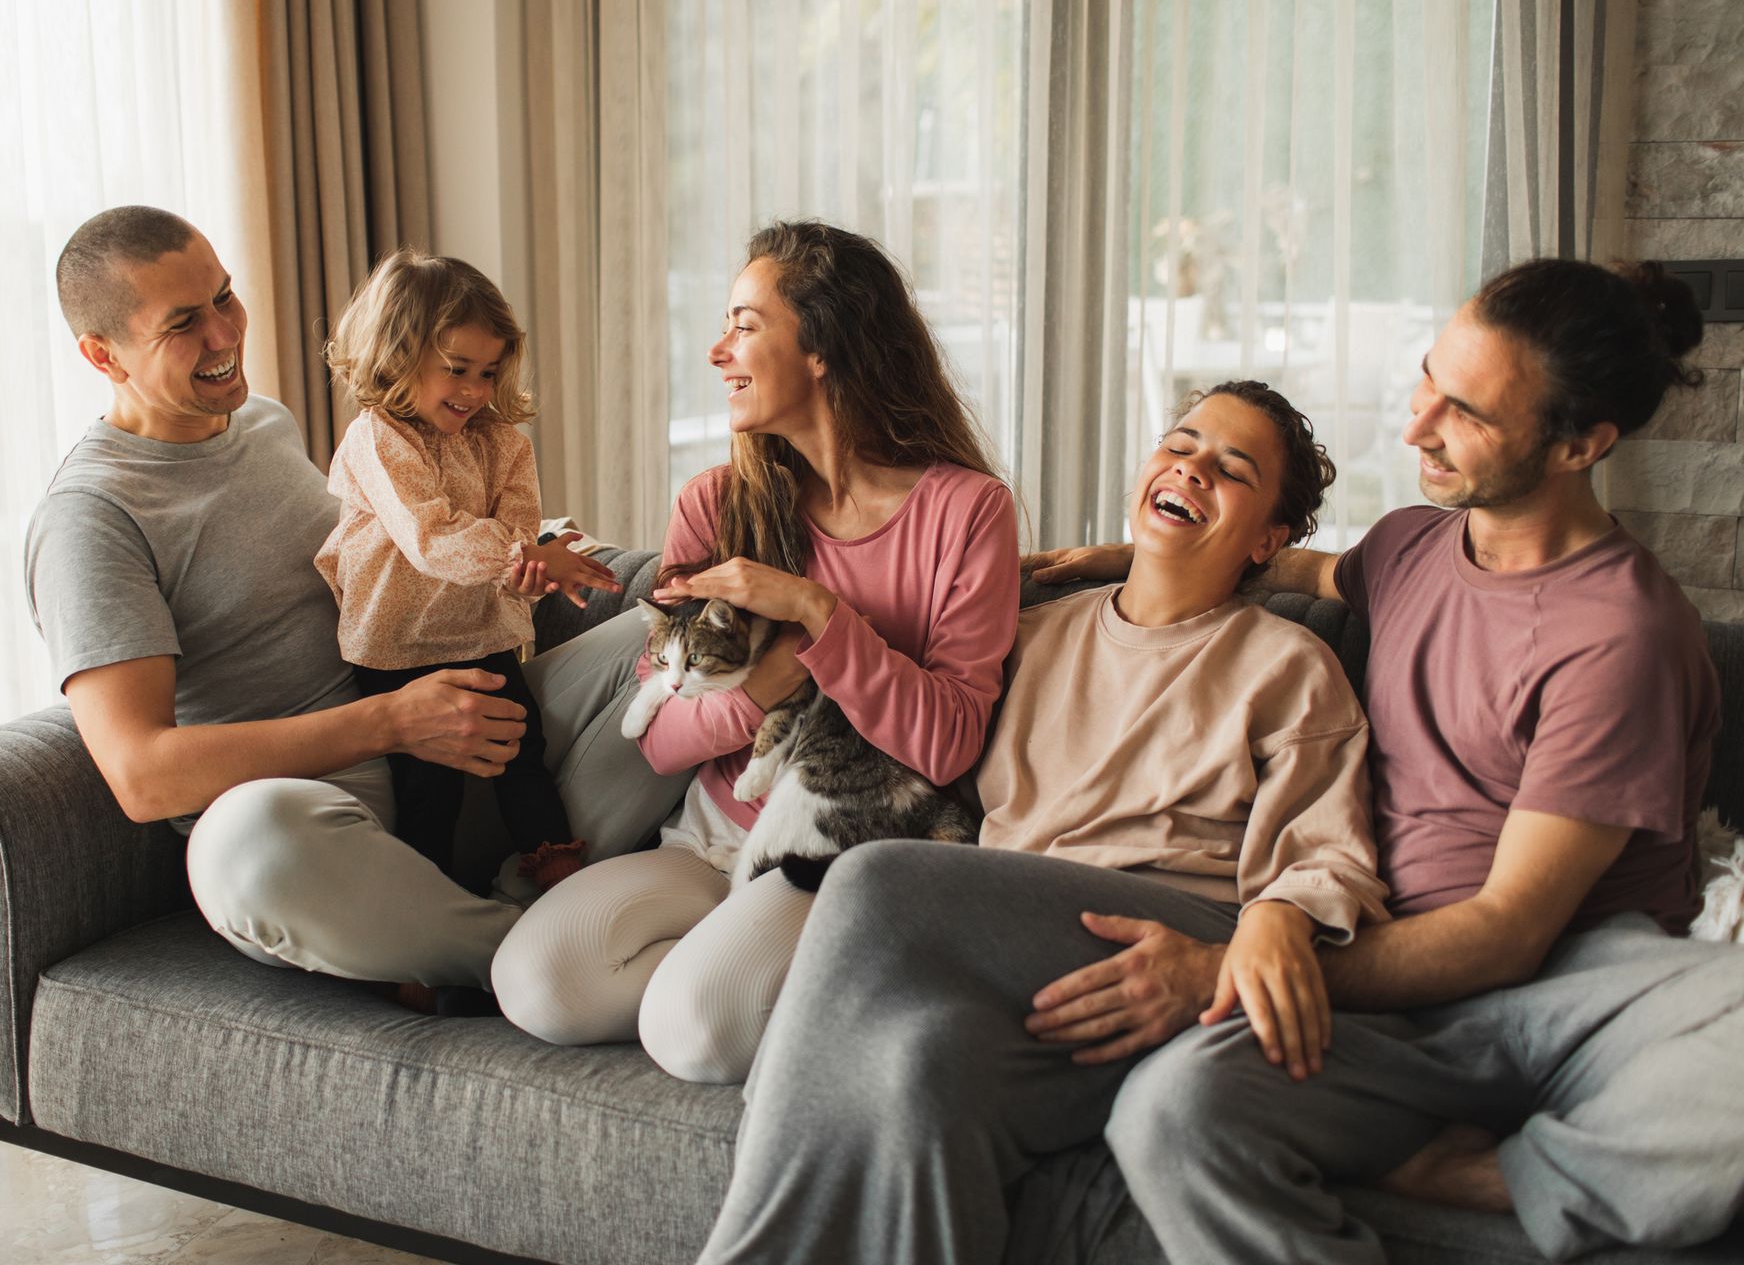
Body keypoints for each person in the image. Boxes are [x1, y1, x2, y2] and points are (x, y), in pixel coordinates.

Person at [992, 257, 1732, 1262]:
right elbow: (1291, 562)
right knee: (1171, 1108)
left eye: (1466, 413)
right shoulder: (1413, 548)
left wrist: (1228, 959)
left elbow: (1513, 931)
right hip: (1394, 969)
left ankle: (1512, 1171)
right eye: (1430, 377)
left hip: (1570, 982)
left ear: (1580, 444)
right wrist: (1106, 561)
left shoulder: (1623, 634)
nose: (1418, 425)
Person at [696, 379, 1390, 1263]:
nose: (1191, 468)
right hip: (1012, 953)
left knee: (875, 880)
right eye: (1180, 444)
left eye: (1232, 468)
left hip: (1165, 930)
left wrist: (1266, 930)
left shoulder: (1290, 663)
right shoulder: (1032, 633)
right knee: (919, 1073)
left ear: (1269, 539)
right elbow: (921, 713)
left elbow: (1324, 860)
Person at [24, 206, 686, 998]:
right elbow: (143, 777)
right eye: (182, 323)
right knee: (243, 844)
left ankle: (499, 912)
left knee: (681, 642)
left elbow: (395, 551)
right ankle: (529, 950)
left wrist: (538, 551)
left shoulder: (264, 424)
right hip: (325, 818)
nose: (225, 334)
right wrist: (395, 722)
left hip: (460, 741)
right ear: (104, 355)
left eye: (225, 298)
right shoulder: (93, 517)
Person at [490, 220, 1021, 1084]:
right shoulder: (715, 505)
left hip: (843, 846)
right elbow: (660, 737)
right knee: (534, 984)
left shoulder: (967, 512)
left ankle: (774, 973)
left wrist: (815, 609)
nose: (716, 349)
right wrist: (760, 691)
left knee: (696, 1030)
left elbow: (950, 740)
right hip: (707, 834)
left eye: (744, 322)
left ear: (823, 345)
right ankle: (793, 980)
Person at [315, 248, 620, 897]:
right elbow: (430, 539)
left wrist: (530, 569)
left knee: (522, 751)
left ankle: (555, 874)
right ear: (397, 355)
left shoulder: (504, 444)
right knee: (428, 791)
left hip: (482, 633)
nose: (476, 391)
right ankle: (425, 919)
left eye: (489, 372)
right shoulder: (378, 438)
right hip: (395, 646)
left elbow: (515, 539)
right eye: (457, 370)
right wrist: (527, 556)